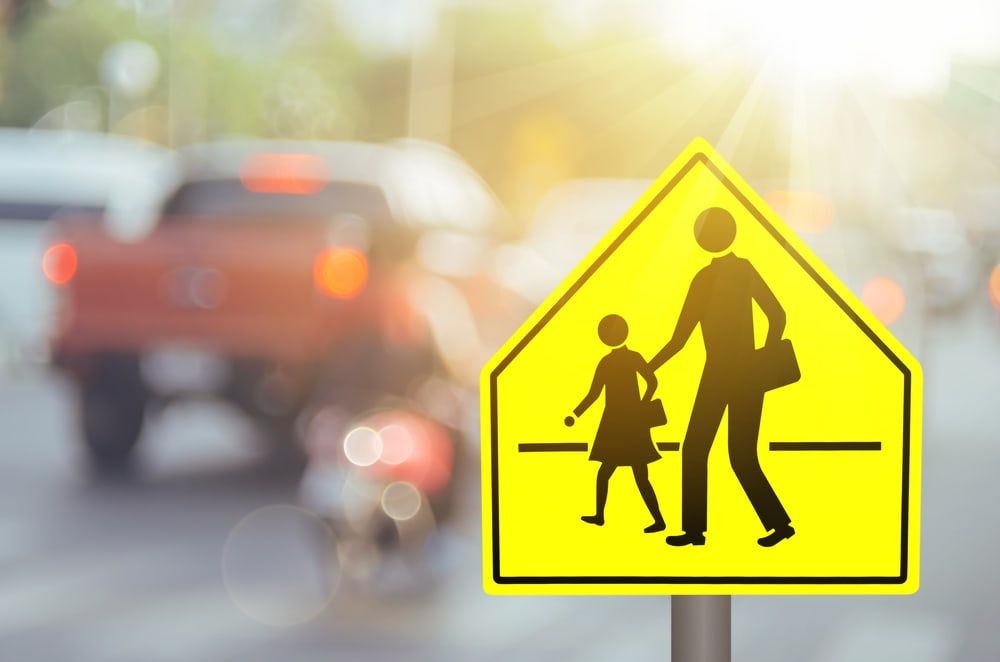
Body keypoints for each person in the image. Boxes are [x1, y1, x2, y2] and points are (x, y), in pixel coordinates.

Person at [650, 206, 794, 548]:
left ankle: (695, 531)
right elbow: (778, 315)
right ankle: (778, 525)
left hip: (717, 374)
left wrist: (649, 366)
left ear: (702, 239)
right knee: (742, 455)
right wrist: (762, 356)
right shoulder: (744, 270)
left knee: (695, 451)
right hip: (747, 374)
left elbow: (679, 339)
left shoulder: (704, 279)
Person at [566, 313, 665, 533]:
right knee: (626, 474)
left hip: (619, 422)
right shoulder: (629, 358)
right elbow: (652, 382)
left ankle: (657, 520)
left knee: (627, 474)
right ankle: (602, 515)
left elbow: (593, 394)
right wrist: (642, 403)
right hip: (623, 422)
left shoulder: (608, 362)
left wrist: (576, 414)